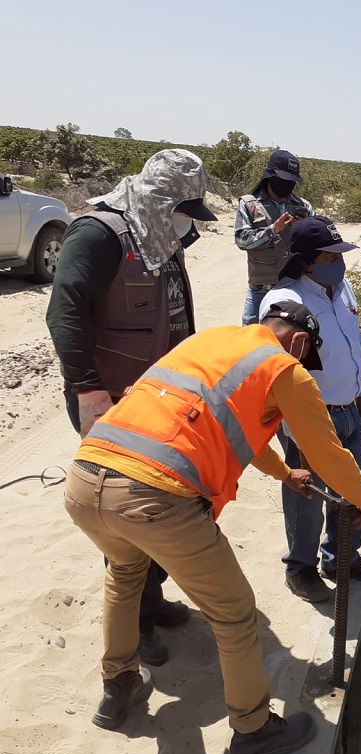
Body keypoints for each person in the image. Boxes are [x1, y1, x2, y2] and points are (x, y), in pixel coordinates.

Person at [65, 300, 361, 754]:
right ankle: (253, 729)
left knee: (125, 574)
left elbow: (229, 432)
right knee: (233, 613)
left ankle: (118, 685)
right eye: (304, 355)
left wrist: (284, 472)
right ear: (299, 341)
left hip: (86, 480)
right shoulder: (284, 368)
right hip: (154, 496)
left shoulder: (209, 342)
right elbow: (327, 451)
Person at [45, 148, 219, 667]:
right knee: (125, 513)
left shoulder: (158, 234)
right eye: (186, 210)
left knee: (160, 503)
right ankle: (134, 623)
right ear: (162, 200)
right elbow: (64, 312)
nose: (190, 224)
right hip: (111, 401)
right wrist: (86, 389)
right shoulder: (98, 234)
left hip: (160, 400)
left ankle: (152, 597)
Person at [260, 216, 361, 602]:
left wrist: (360, 391)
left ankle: (341, 556)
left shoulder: (341, 288)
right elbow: (280, 370)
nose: (340, 261)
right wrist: (294, 429)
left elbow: (353, 342)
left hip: (347, 407)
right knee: (308, 495)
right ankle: (301, 567)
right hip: (311, 415)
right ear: (310, 261)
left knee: (351, 486)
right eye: (333, 255)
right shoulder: (286, 302)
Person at [234, 150, 313, 325]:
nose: (287, 185)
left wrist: (305, 228)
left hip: (297, 287)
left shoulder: (303, 206)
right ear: (270, 176)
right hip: (260, 290)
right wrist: (272, 230)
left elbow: (317, 245)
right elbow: (241, 240)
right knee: (251, 340)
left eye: (291, 181)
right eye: (283, 179)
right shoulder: (250, 204)